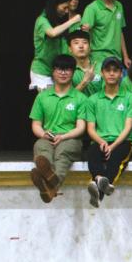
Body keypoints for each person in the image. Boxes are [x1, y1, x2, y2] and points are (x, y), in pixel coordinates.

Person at [81, 57, 132, 207]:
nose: (111, 73)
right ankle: (99, 180)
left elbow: (128, 128)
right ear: (102, 73)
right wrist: (101, 142)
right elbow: (90, 129)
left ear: (121, 73)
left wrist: (112, 146)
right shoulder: (92, 100)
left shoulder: (130, 98)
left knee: (115, 158)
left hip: (123, 141)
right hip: (100, 140)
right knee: (92, 153)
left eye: (115, 70)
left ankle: (98, 188)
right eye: (108, 70)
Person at [29, 54, 86, 202]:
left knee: (63, 152)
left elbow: (81, 127)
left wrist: (64, 136)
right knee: (41, 147)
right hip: (48, 137)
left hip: (71, 138)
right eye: (59, 69)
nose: (63, 73)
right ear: (53, 72)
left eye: (67, 69)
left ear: (73, 72)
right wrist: (43, 134)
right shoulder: (42, 97)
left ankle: (50, 184)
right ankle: (51, 183)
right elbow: (36, 124)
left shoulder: (80, 98)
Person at [31, 0, 81, 90]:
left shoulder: (59, 20)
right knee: (47, 99)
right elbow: (52, 33)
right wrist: (73, 20)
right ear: (55, 5)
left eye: (68, 8)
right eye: (64, 8)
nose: (66, 11)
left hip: (58, 72)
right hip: (42, 72)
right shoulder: (42, 20)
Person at [80, 0, 129, 69]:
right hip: (98, 59)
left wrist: (126, 56)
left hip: (117, 58)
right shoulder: (91, 8)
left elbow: (119, 31)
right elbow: (84, 35)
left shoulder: (119, 5)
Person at [65, 30, 103, 96]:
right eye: (76, 43)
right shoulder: (66, 70)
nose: (81, 46)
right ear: (70, 49)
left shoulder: (101, 67)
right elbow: (66, 99)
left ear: (89, 47)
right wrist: (85, 82)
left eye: (85, 42)